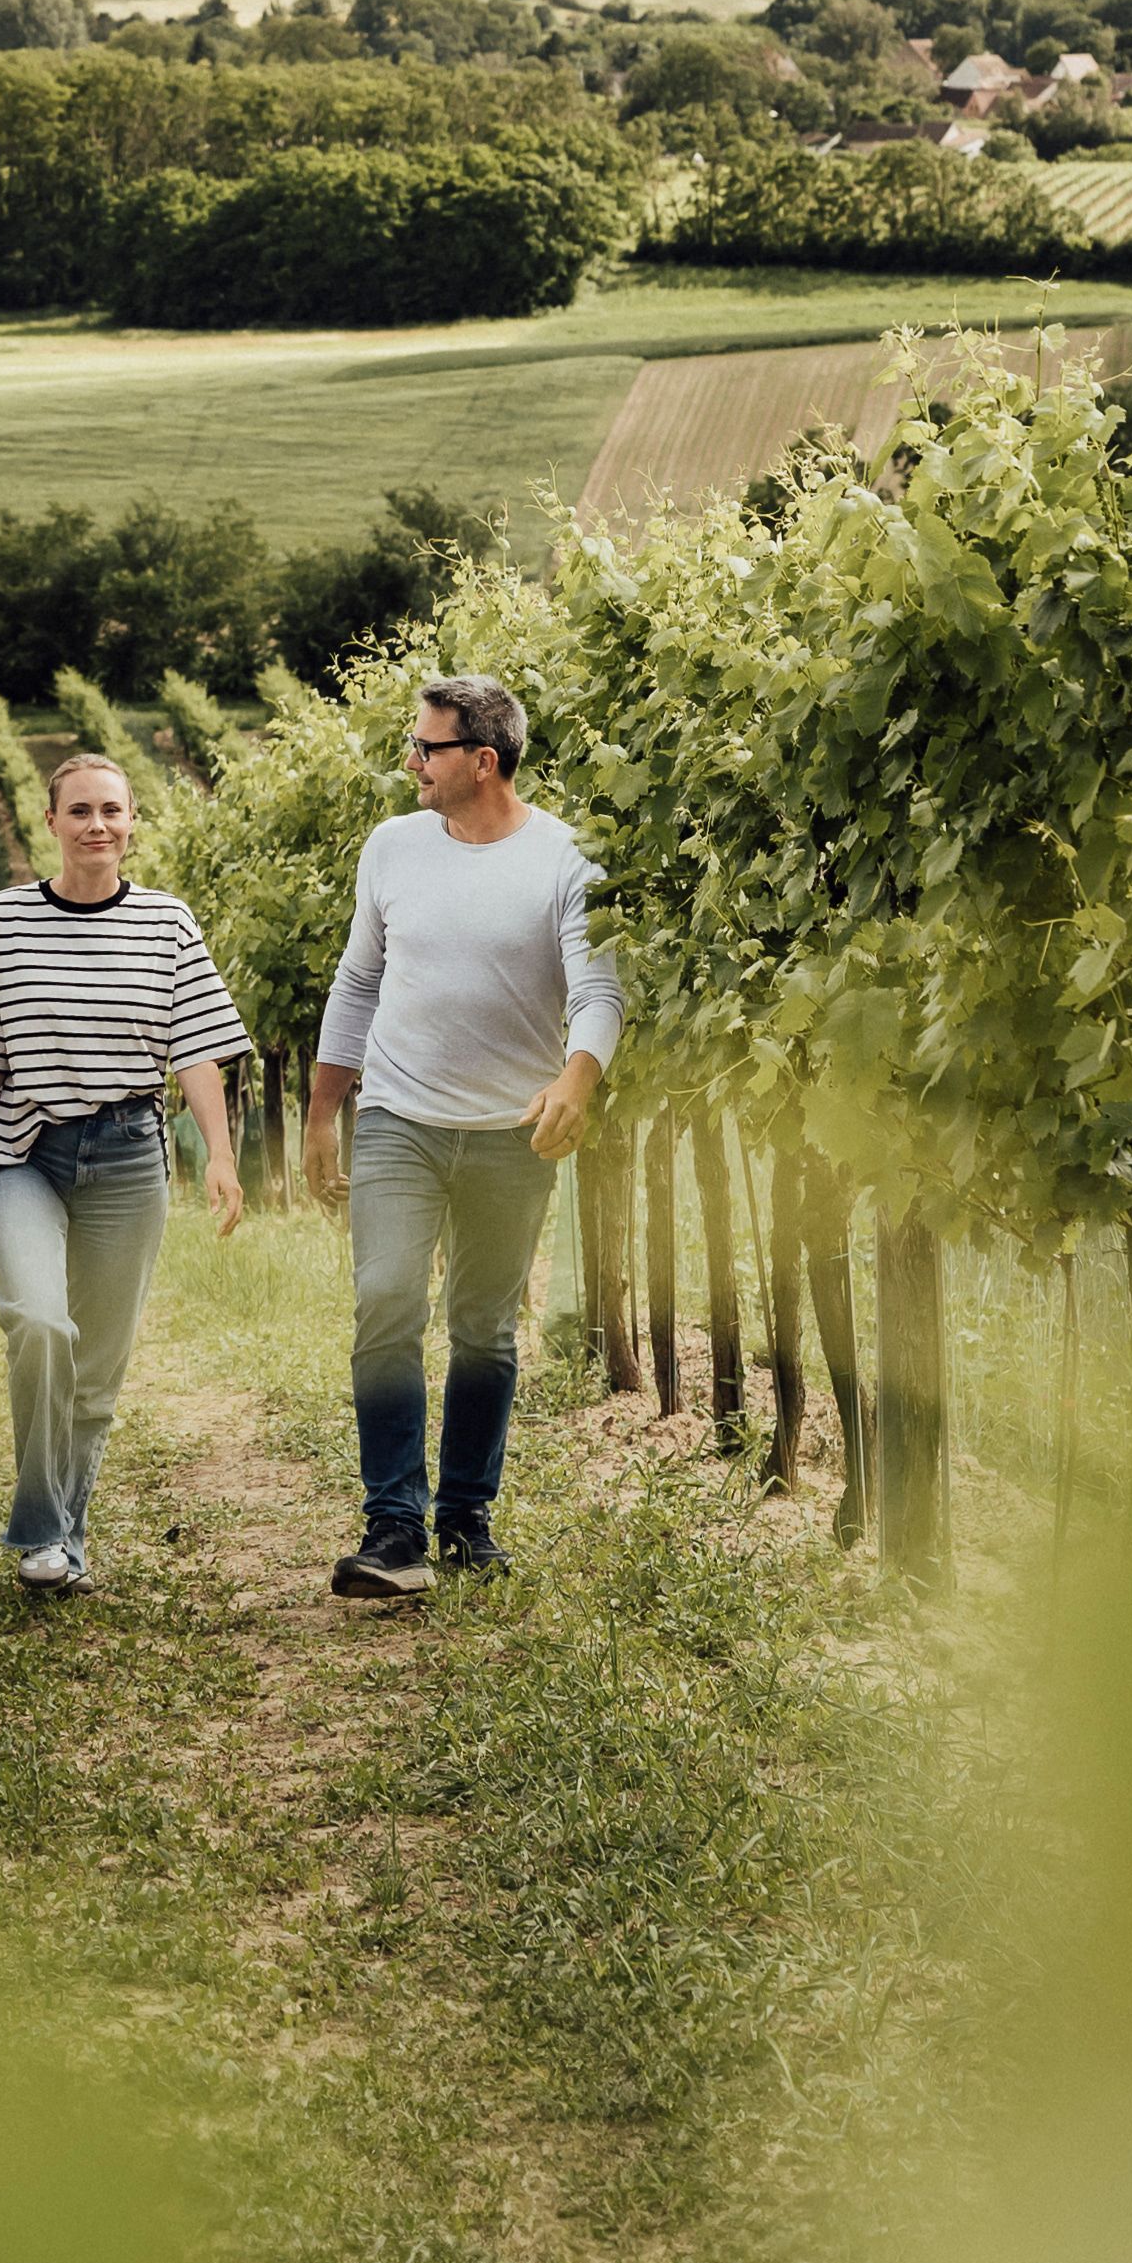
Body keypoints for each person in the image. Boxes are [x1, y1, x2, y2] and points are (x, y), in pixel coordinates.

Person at [305, 672, 621, 1601]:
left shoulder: (567, 858)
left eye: (426, 748)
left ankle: (465, 1518)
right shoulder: (392, 848)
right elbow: (357, 982)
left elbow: (597, 990)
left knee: (482, 1330)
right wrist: (324, 1112)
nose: (410, 763)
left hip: (506, 1134)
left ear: (483, 762)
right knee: (385, 1303)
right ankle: (393, 1527)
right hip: (397, 1119)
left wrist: (578, 1074)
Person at [0, 754, 248, 1592]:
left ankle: (62, 1539)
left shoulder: (167, 924)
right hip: (22, 1156)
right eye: (79, 810)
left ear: (132, 823)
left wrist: (218, 1155)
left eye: (112, 810)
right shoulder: (4, 920)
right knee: (40, 1323)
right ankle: (42, 1527)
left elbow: (197, 1051)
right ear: (51, 823)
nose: (96, 825)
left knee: (97, 1369)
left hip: (128, 1157)